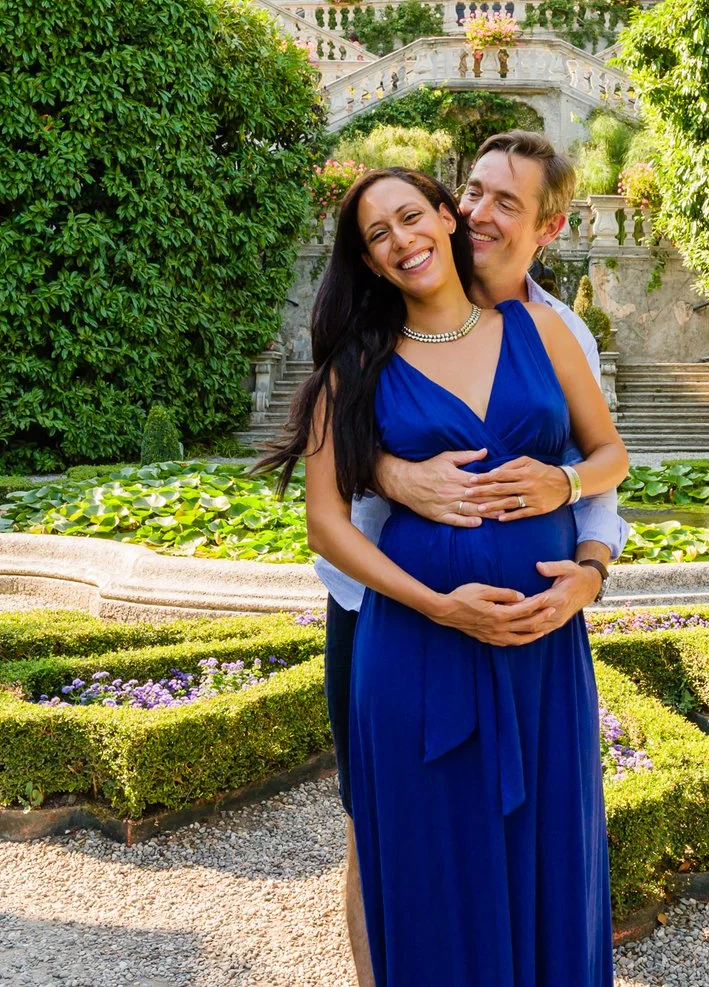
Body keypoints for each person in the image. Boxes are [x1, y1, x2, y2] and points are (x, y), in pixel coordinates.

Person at [264, 164, 625, 987]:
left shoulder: (544, 329)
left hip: (541, 643)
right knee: (431, 864)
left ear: (443, 216)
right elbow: (324, 522)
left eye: (410, 215)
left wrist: (566, 491)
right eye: (376, 235)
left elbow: (611, 454)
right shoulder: (358, 364)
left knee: (552, 852)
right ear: (367, 260)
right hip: (416, 643)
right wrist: (440, 604)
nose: (401, 240)